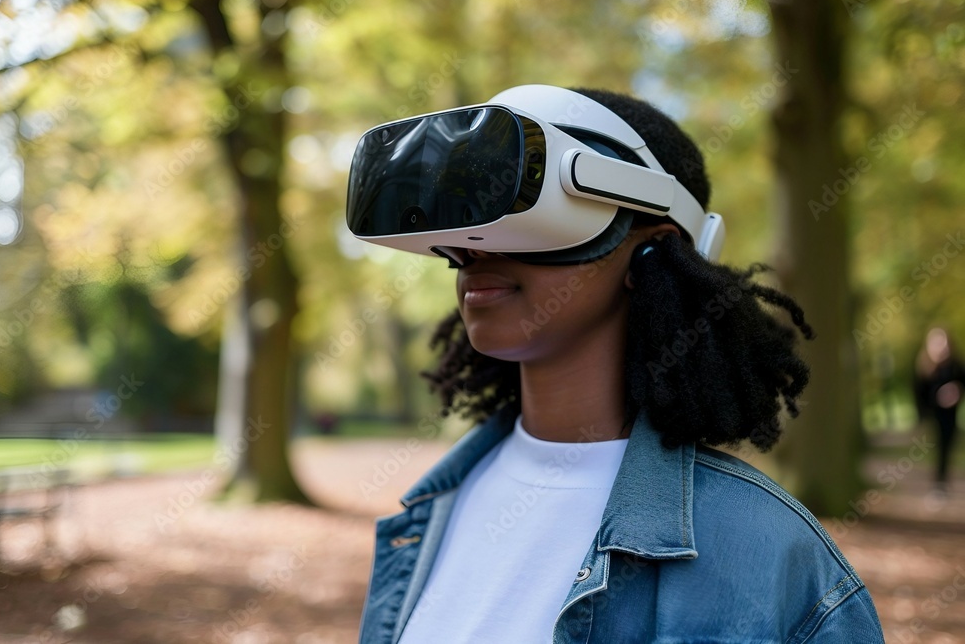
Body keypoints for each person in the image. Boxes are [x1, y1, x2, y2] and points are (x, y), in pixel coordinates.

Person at [347, 85, 884, 642]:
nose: (474, 251)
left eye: (526, 212)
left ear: (654, 249)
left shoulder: (770, 551)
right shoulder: (428, 514)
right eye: (467, 222)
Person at [914, 327, 964, 490]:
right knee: (933, 447)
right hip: (932, 415)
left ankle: (941, 480)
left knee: (946, 446)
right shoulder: (924, 368)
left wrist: (956, 392)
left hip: (949, 415)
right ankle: (937, 480)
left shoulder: (956, 366)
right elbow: (919, 395)